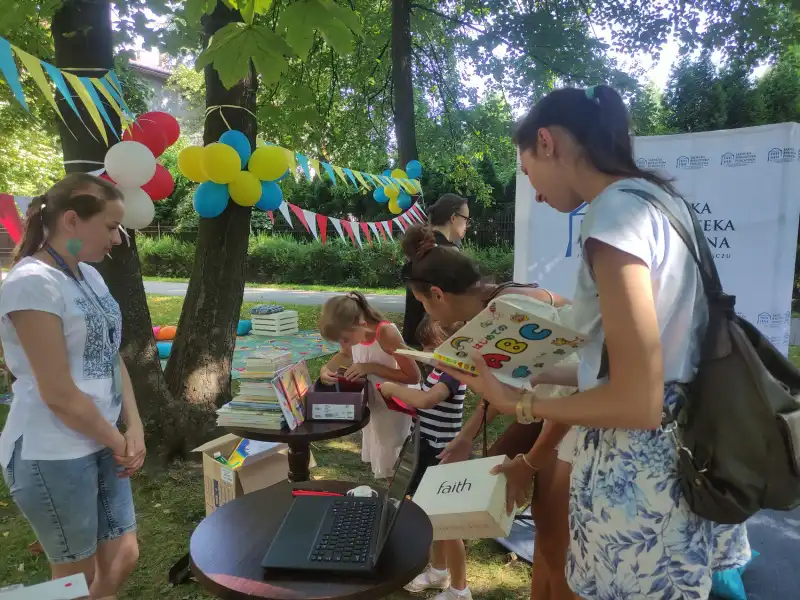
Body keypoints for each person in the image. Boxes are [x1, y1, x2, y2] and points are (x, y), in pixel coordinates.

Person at [438, 84, 751, 599]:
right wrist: (527, 370)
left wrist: (518, 402)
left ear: (546, 142)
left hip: (641, 484)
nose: (535, 191)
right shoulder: (661, 203)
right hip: (687, 456)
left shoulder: (613, 216)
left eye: (526, 171)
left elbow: (637, 399)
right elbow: (622, 365)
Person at [400, 226, 575, 600]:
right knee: (549, 535)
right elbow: (508, 384)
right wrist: (466, 437)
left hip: (584, 433)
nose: (429, 314)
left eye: (425, 305)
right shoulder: (505, 300)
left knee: (560, 550)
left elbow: (572, 401)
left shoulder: (509, 313)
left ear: (437, 295)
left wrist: (530, 463)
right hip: (566, 426)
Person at [0, 173, 144, 600]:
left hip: (102, 440)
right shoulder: (32, 283)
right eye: (111, 226)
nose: (117, 239)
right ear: (71, 221)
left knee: (123, 555)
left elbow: (111, 355)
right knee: (71, 583)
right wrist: (118, 441)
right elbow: (58, 393)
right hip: (54, 453)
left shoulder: (89, 276)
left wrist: (132, 424)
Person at [379, 316, 470, 600]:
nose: (429, 355)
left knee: (449, 523)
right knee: (430, 516)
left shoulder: (454, 371)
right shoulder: (438, 369)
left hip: (443, 456)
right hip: (426, 447)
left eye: (433, 348)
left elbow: (428, 400)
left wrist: (394, 389)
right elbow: (423, 396)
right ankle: (438, 571)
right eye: (426, 349)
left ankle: (460, 589)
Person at [319, 292, 420, 478]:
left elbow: (413, 376)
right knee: (378, 442)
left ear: (361, 324)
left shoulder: (386, 333)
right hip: (373, 403)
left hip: (394, 405)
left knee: (393, 452)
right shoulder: (354, 333)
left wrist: (371, 367)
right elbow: (345, 354)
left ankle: (399, 494)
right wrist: (326, 369)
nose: (343, 344)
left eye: (345, 339)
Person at [402, 194, 470, 348]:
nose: (467, 225)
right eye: (466, 219)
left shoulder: (421, 245)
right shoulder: (449, 253)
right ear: (454, 218)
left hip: (414, 335)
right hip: (438, 339)